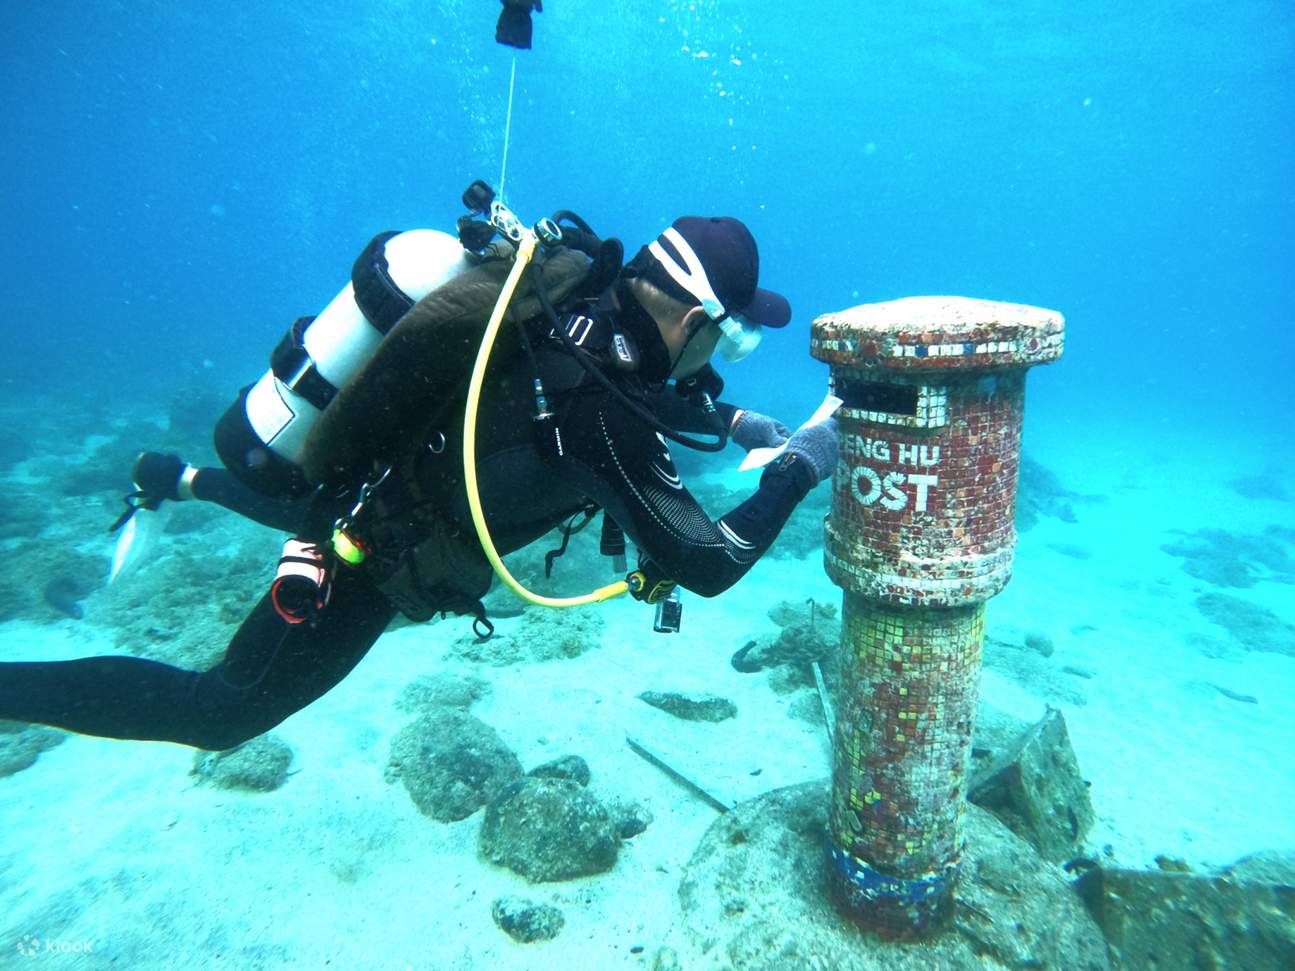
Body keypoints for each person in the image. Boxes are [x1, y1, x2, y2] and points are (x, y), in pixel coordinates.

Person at [0, 215, 837, 751]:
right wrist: (802, 460)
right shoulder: (601, 414)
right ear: (691, 319)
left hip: (365, 468)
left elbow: (645, 383)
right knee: (221, 712)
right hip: (371, 553)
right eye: (732, 339)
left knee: (296, 499)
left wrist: (734, 420)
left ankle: (173, 478)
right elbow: (707, 562)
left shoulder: (577, 297)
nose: (725, 358)